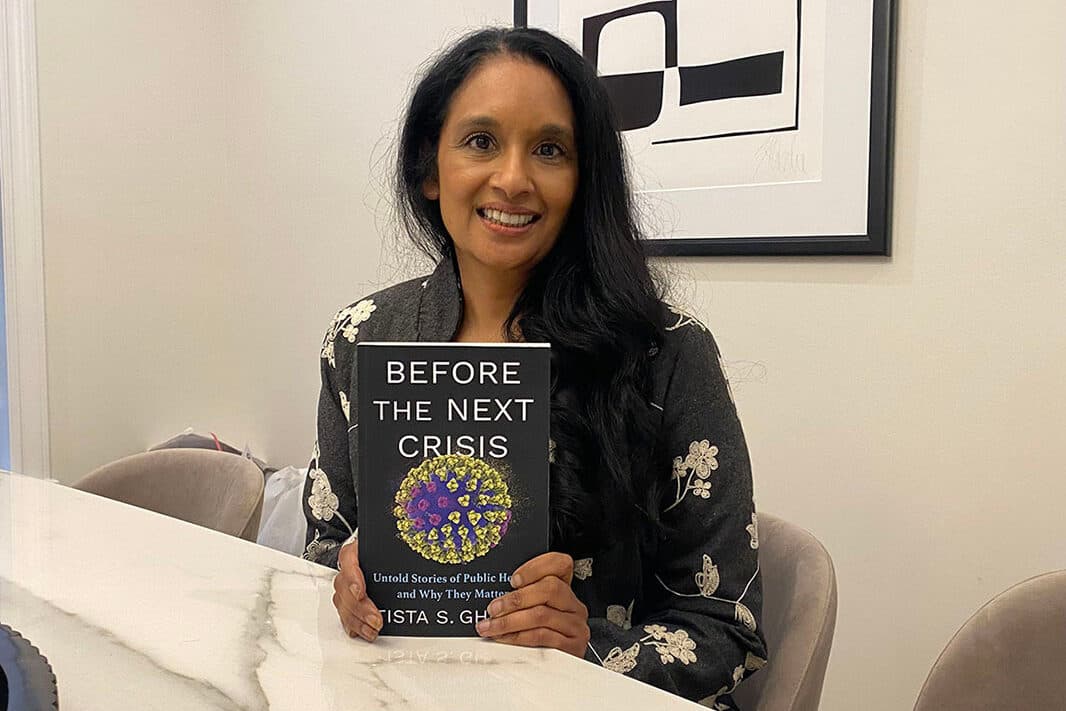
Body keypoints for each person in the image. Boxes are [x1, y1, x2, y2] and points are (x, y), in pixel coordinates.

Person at [302, 26, 766, 707]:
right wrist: (345, 580)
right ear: (430, 170)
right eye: (481, 141)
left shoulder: (664, 353)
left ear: (582, 179)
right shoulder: (362, 339)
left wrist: (588, 649)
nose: (514, 179)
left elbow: (731, 629)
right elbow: (320, 550)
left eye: (549, 149)